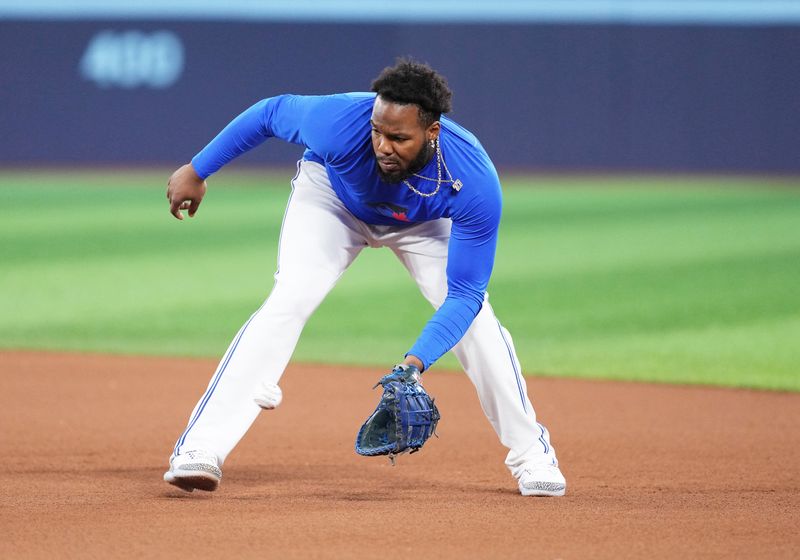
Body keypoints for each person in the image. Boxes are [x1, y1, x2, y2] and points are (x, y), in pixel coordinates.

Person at [163, 59, 566, 497]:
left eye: (398, 137)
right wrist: (197, 169)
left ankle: (532, 454)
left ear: (432, 132)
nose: (382, 145)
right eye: (377, 130)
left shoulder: (472, 179)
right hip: (333, 200)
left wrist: (414, 365)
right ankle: (201, 448)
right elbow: (269, 113)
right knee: (290, 299)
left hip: (423, 221)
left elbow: (465, 294)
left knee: (481, 326)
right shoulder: (339, 121)